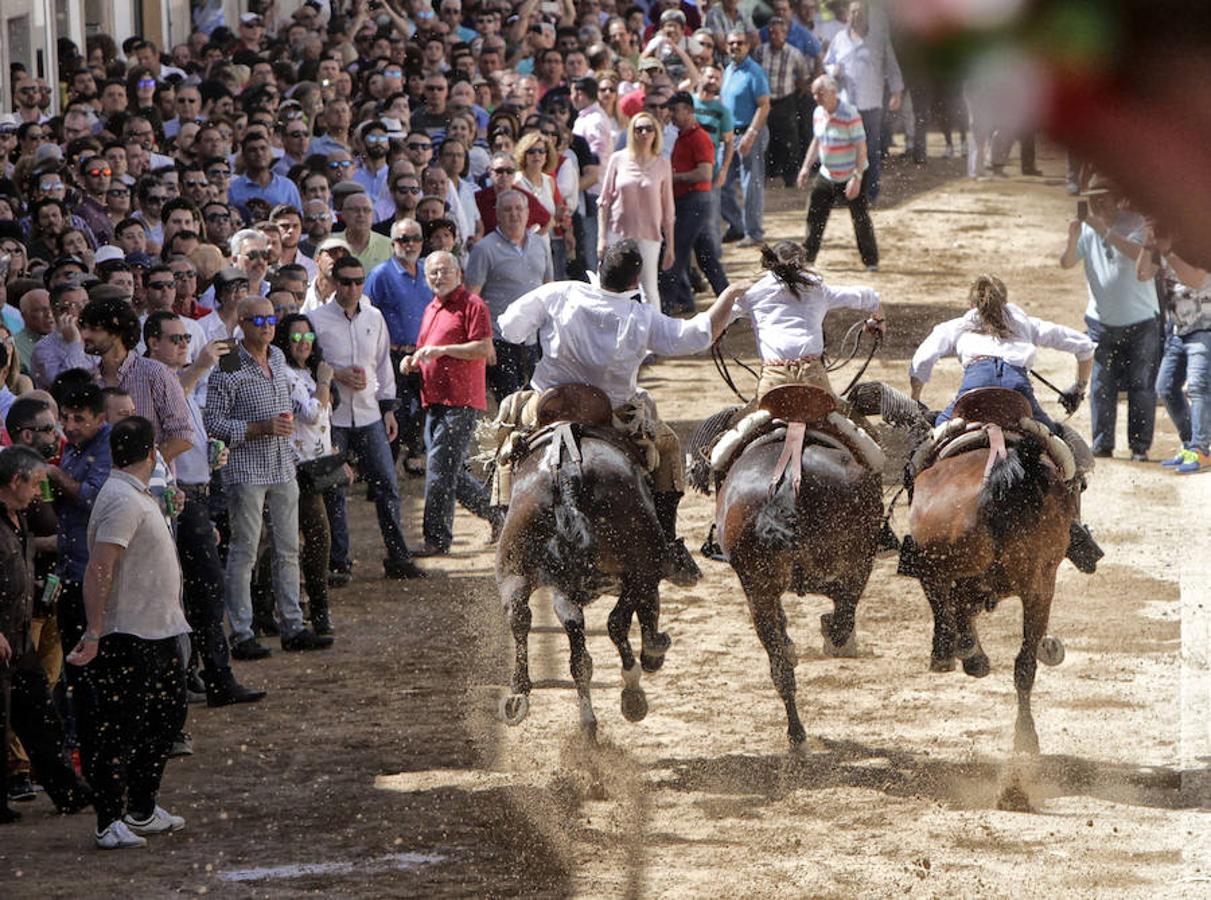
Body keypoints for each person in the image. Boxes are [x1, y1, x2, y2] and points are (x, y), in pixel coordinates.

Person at [495, 240, 752, 585]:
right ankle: (668, 544)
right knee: (669, 447)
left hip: (549, 406)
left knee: (504, 441)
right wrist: (730, 296)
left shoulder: (559, 293)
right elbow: (696, 336)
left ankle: (501, 518)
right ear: (635, 283)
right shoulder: (641, 316)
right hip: (612, 413)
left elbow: (510, 327)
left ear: (599, 265)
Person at [909, 273, 1103, 569]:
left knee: (923, 451)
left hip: (973, 395)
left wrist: (917, 397)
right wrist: (1078, 388)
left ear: (973, 303)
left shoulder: (958, 326)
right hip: (1018, 396)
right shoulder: (1024, 323)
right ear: (1006, 300)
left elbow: (921, 361)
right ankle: (1074, 529)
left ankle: (915, 535)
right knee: (1066, 454)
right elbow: (1084, 346)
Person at [65, 416, 190, 850]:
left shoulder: (132, 493)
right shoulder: (121, 498)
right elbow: (100, 568)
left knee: (166, 718)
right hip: (129, 635)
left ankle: (140, 808)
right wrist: (96, 630)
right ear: (152, 452)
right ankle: (109, 820)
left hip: (156, 630)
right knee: (121, 728)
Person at [143, 312, 265, 706]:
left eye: (185, 338)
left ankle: (201, 672)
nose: (183, 344)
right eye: (174, 339)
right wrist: (200, 366)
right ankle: (211, 676)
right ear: (152, 343)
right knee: (202, 591)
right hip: (174, 499)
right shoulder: (153, 380)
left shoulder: (185, 384)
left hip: (197, 493)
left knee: (202, 593)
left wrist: (213, 455)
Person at [204, 296, 334, 658]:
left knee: (288, 549)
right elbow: (213, 423)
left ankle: (292, 624)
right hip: (246, 469)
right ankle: (242, 633)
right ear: (241, 324)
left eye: (270, 319)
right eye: (257, 320)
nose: (266, 325)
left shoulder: (277, 357)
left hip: (281, 465)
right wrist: (259, 427)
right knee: (245, 551)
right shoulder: (228, 363)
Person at [310, 257, 426, 582]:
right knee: (335, 491)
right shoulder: (315, 320)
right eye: (346, 281)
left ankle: (398, 556)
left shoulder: (374, 317)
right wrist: (336, 376)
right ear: (333, 282)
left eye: (358, 281)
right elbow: (307, 366)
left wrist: (388, 408)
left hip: (369, 414)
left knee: (387, 487)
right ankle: (339, 560)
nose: (352, 288)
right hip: (332, 417)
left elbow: (383, 366)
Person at [0, 445, 92, 826]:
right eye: (36, 484)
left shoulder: (19, 518)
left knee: (39, 715)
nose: (40, 492)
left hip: (19, 636)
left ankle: (68, 791)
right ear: (15, 481)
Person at [400, 251, 498, 555]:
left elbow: (484, 348)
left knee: (440, 469)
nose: (438, 277)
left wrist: (443, 350)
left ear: (458, 273)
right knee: (449, 470)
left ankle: (436, 539)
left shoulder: (472, 305)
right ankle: (499, 515)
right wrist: (411, 361)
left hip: (461, 399)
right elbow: (425, 350)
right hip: (434, 399)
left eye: (444, 271)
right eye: (432, 273)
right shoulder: (432, 307)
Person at [1059, 178, 1161, 461]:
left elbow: (1140, 256)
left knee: (1141, 386)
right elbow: (1066, 263)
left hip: (1141, 321)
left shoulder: (1137, 223)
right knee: (1102, 385)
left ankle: (1139, 448)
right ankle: (1103, 444)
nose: (1097, 203)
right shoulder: (1088, 228)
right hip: (1100, 322)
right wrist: (1072, 238)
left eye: (1102, 197)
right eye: (1093, 198)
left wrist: (1106, 232)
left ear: (1116, 197)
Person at [273, 314, 338, 634]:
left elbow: (323, 422)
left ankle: (312, 606)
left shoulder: (307, 372)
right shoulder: (285, 374)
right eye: (296, 337)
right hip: (294, 468)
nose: (303, 343)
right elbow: (312, 414)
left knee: (306, 541)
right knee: (313, 539)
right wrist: (326, 381)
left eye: (308, 337)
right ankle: (317, 607)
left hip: (317, 466)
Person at [465, 191, 554, 402]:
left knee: (537, 402)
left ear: (527, 212)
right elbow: (472, 299)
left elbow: (549, 289)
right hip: (500, 339)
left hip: (534, 339)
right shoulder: (484, 249)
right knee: (510, 403)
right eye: (507, 209)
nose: (514, 214)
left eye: (519, 209)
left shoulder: (541, 244)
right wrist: (483, 341)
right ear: (497, 214)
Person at [364, 218, 434, 469]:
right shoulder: (380, 275)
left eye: (416, 238)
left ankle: (414, 457)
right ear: (394, 243)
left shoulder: (428, 271)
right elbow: (367, 315)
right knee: (392, 412)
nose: (410, 244)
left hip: (424, 355)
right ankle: (385, 470)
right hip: (392, 356)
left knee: (421, 411)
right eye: (404, 239)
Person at [821, 1, 902, 204]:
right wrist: (833, 71)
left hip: (871, 104)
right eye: (853, 12)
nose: (857, 16)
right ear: (848, 15)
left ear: (867, 15)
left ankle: (870, 193)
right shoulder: (840, 39)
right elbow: (827, 62)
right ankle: (843, 193)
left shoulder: (879, 39)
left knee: (870, 150)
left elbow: (892, 67)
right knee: (845, 151)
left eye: (861, 12)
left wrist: (896, 92)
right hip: (846, 106)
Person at [1144, 235, 1211, 474]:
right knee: (1165, 387)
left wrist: (1169, 251)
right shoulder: (1161, 247)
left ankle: (1202, 450)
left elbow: (1197, 280)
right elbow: (1142, 274)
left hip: (1204, 327)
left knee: (1199, 388)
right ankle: (1189, 445)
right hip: (1178, 330)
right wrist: (1148, 245)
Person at [797, 74, 877, 270]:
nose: (816, 97)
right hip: (827, 174)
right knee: (814, 215)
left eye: (820, 93)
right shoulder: (818, 113)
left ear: (833, 92)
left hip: (852, 173)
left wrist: (857, 178)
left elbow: (861, 147)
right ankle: (808, 258)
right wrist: (806, 167)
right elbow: (817, 141)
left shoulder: (850, 114)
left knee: (860, 218)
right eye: (814, 93)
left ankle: (871, 261)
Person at [659, 92, 729, 315]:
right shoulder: (682, 136)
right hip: (692, 202)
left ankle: (666, 307)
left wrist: (672, 177)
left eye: (675, 111)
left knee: (675, 254)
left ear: (689, 111)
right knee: (707, 258)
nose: (671, 115)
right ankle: (729, 304)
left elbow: (705, 173)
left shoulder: (699, 138)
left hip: (693, 202)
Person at [597, 112, 675, 306]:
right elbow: (604, 201)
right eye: (638, 128)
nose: (643, 133)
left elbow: (668, 209)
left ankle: (655, 333)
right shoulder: (617, 159)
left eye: (648, 128)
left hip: (649, 235)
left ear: (656, 133)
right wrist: (602, 237)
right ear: (632, 132)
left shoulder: (663, 164)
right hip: (618, 232)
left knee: (649, 289)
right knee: (611, 286)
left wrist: (671, 246)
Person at [720, 30, 771, 246]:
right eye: (731, 43)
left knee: (751, 185)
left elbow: (764, 105)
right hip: (729, 135)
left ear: (747, 46)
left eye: (739, 43)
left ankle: (754, 232)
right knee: (721, 182)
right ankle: (738, 225)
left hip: (750, 133)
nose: (735, 46)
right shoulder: (728, 70)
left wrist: (751, 134)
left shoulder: (754, 71)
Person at [752, 16, 812, 187]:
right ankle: (764, 176)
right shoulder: (760, 52)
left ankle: (791, 178)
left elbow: (803, 75)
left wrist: (798, 92)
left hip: (786, 100)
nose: (775, 36)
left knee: (789, 140)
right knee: (764, 139)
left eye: (779, 33)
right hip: (765, 102)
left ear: (785, 34)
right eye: (771, 33)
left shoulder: (794, 53)